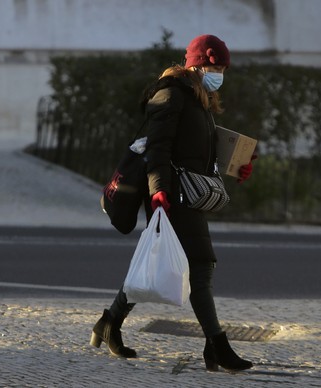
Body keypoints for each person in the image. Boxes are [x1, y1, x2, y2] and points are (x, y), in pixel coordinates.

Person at [90, 34, 256, 372]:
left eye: (223, 67)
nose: (219, 73)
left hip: (186, 194)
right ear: (195, 64)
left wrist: (237, 164)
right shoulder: (170, 94)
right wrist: (158, 190)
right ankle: (217, 347)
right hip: (170, 195)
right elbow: (158, 147)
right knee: (201, 267)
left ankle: (109, 323)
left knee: (156, 265)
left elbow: (196, 147)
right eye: (215, 66)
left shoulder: (199, 98)